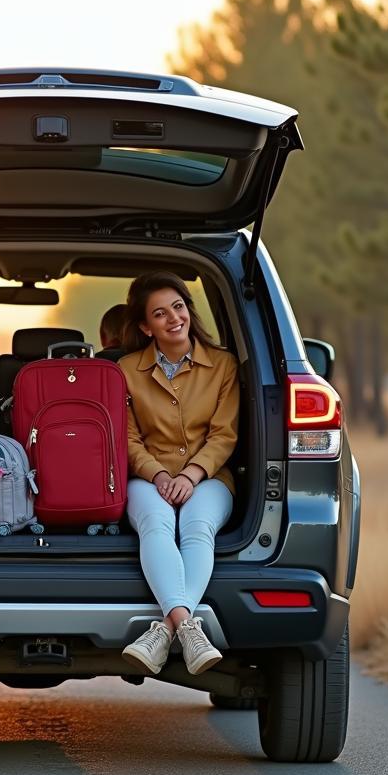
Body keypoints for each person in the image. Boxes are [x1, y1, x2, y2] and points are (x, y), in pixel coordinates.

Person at [117, 271, 239, 675]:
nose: (174, 318)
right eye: (159, 313)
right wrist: (157, 475)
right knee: (156, 520)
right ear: (144, 326)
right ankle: (188, 629)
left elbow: (224, 435)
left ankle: (163, 632)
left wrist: (190, 475)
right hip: (147, 477)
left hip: (209, 477)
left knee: (197, 523)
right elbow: (128, 439)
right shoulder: (125, 370)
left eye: (179, 306)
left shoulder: (222, 365)